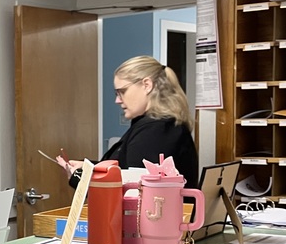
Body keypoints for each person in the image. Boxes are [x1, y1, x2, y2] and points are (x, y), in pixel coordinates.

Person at [57, 55, 198, 188]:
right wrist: (88, 167)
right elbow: (124, 170)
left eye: (122, 91)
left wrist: (78, 177)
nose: (117, 100)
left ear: (147, 85)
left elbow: (132, 191)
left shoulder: (155, 131)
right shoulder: (158, 126)